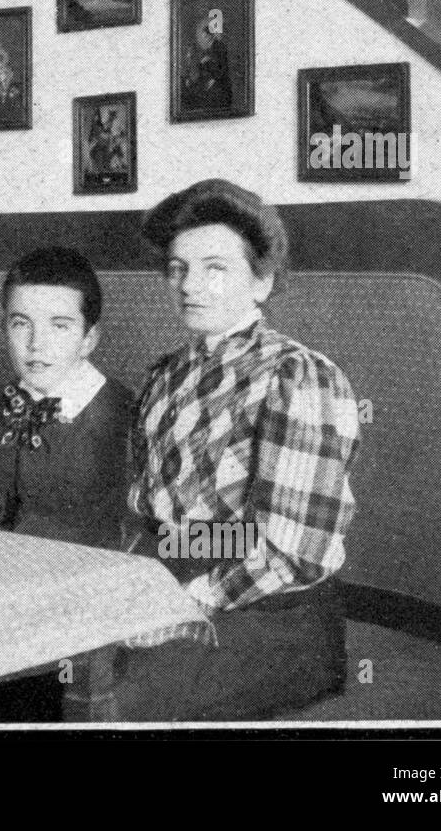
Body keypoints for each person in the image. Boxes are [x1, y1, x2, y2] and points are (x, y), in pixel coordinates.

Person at [115, 179, 360, 721]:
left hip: (270, 610)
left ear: (263, 281)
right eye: (178, 268)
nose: (189, 285)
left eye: (215, 267)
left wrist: (190, 600)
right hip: (172, 569)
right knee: (44, 662)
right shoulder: (166, 374)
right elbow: (150, 518)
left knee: (113, 700)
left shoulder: (298, 376)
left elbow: (294, 550)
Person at [0, 246, 135, 549]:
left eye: (59, 326)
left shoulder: (122, 413)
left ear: (89, 339)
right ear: (4, 329)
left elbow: (111, 527)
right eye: (21, 324)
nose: (37, 344)